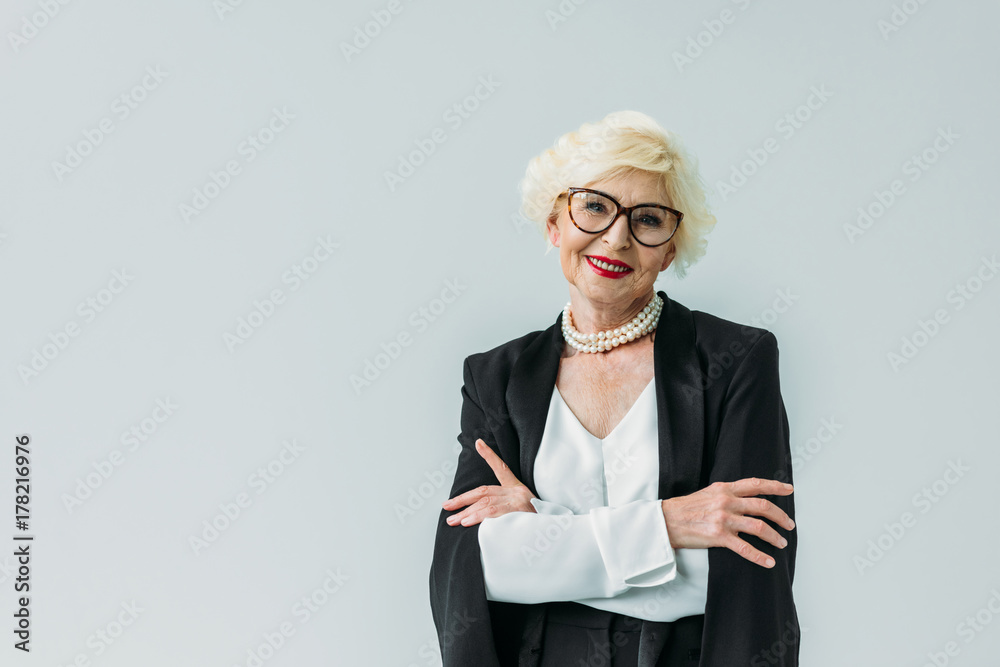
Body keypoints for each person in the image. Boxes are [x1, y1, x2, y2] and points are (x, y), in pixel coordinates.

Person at [429, 110, 800, 666]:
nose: (618, 237)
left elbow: (742, 572)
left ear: (670, 250)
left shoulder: (736, 360)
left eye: (647, 219)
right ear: (556, 224)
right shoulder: (496, 377)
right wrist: (669, 525)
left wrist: (543, 531)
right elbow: (476, 569)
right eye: (595, 207)